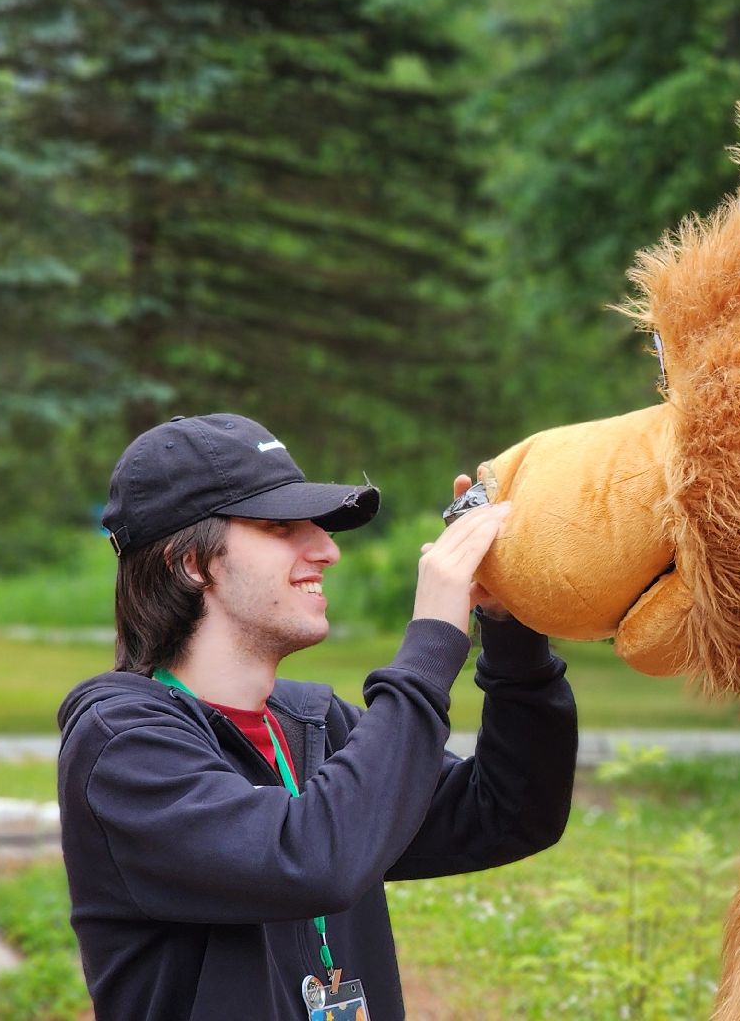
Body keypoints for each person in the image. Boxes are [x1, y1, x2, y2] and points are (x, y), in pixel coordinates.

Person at [56, 413, 576, 1021]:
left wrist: (511, 628)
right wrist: (432, 641)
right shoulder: (121, 745)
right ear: (191, 563)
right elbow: (308, 860)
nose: (326, 549)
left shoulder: (313, 725)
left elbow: (510, 813)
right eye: (281, 526)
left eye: (318, 527)